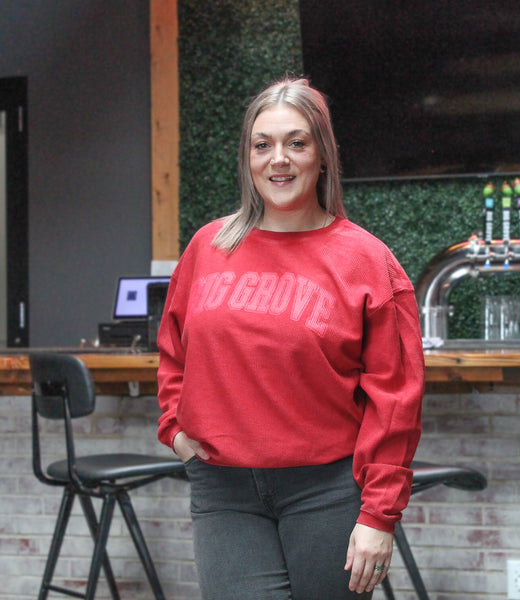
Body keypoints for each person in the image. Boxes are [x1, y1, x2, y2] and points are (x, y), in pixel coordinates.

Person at [156, 76, 424, 600]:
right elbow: (173, 352)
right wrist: (175, 428)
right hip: (223, 488)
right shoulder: (207, 247)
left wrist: (379, 514)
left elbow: (396, 399)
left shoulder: (367, 260)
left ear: (322, 155)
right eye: (263, 145)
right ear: (248, 158)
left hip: (326, 490)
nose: (278, 159)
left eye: (296, 142)